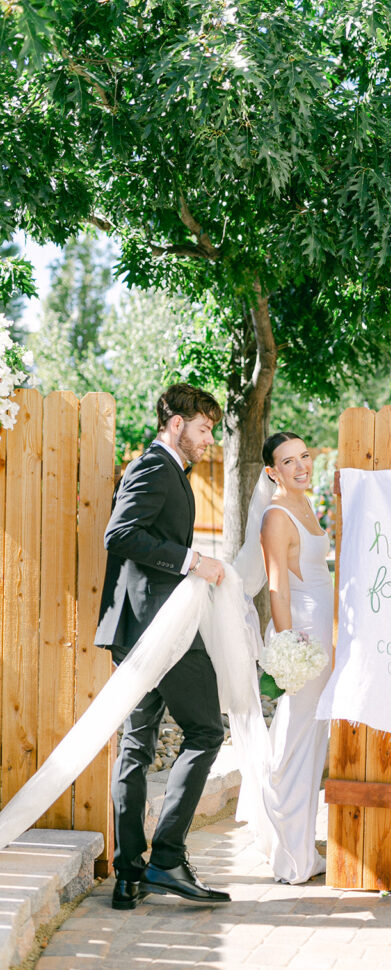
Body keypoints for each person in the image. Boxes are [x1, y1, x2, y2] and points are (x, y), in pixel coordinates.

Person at [95, 383, 232, 910]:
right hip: (161, 628)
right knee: (205, 731)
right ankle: (167, 859)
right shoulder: (154, 467)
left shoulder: (162, 468)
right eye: (203, 429)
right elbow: (120, 534)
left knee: (136, 746)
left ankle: (129, 876)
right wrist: (193, 561)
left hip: (137, 628)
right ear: (176, 424)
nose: (208, 440)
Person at [237, 432, 333, 884]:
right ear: (272, 471)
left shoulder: (306, 504)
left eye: (305, 457)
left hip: (322, 631)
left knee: (310, 740)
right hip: (305, 635)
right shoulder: (276, 516)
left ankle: (298, 846)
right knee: (296, 739)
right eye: (289, 462)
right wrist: (290, 647)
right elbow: (277, 587)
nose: (301, 467)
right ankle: (290, 853)